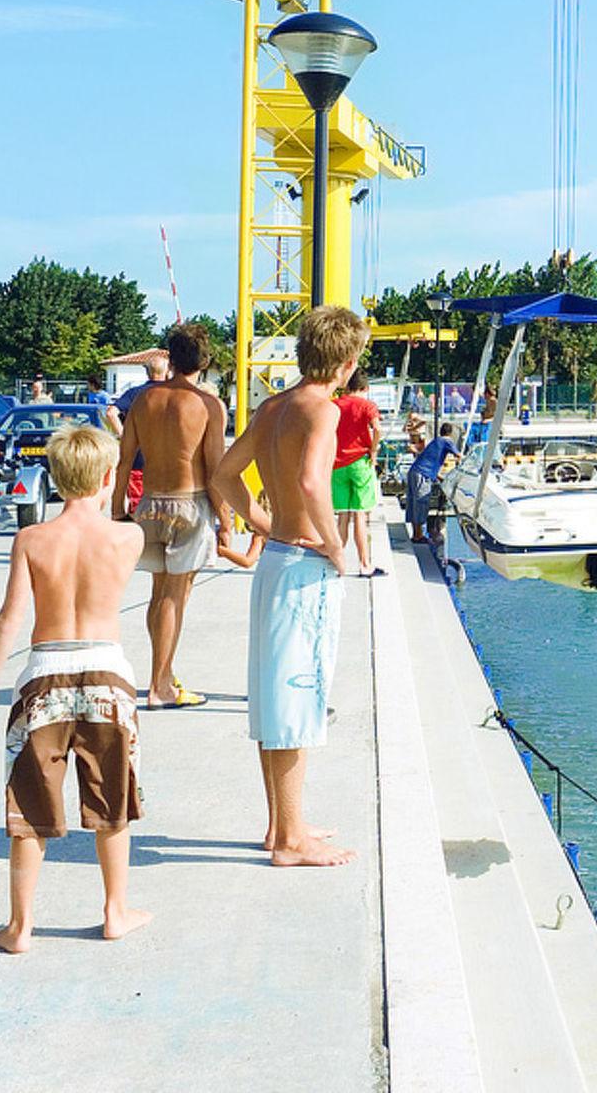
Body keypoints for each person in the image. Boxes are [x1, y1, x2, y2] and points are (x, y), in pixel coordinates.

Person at [0, 422, 150, 953]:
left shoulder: (31, 539)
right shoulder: (128, 536)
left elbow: (10, 616)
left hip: (42, 677)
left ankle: (20, 927)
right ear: (107, 475)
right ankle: (115, 911)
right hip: (107, 675)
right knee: (111, 799)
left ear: (52, 475)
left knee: (29, 807)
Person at [210, 305, 368, 868]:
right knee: (299, 699)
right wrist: (332, 543)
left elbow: (224, 475)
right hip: (304, 567)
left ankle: (283, 824)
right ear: (347, 363)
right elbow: (310, 481)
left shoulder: (273, 406)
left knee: (275, 700)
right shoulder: (322, 411)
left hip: (276, 558)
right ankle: (292, 840)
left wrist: (263, 522)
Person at [115, 323, 224, 710]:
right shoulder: (208, 405)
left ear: (170, 358)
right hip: (189, 503)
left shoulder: (145, 400)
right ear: (204, 360)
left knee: (159, 594)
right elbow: (214, 470)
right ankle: (159, 683)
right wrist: (226, 519)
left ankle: (164, 671)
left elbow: (125, 458)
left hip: (149, 502)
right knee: (175, 598)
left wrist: (117, 509)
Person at [331, 369, 382, 576]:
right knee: (360, 515)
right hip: (360, 462)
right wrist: (373, 450)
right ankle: (364, 565)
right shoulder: (367, 406)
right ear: (366, 388)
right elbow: (377, 429)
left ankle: (337, 563)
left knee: (342, 516)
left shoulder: (334, 405)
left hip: (337, 464)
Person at [114, 355, 169, 511]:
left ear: (147, 372)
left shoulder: (134, 393)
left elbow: (111, 412)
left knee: (138, 505)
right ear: (167, 371)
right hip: (168, 457)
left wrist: (125, 436)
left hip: (139, 456)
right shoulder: (174, 393)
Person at [405, 420, 460, 544]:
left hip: (414, 471)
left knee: (414, 503)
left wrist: (442, 479)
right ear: (450, 433)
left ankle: (416, 535)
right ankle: (418, 536)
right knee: (421, 503)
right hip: (422, 474)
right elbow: (459, 456)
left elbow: (432, 464)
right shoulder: (447, 441)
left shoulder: (436, 442)